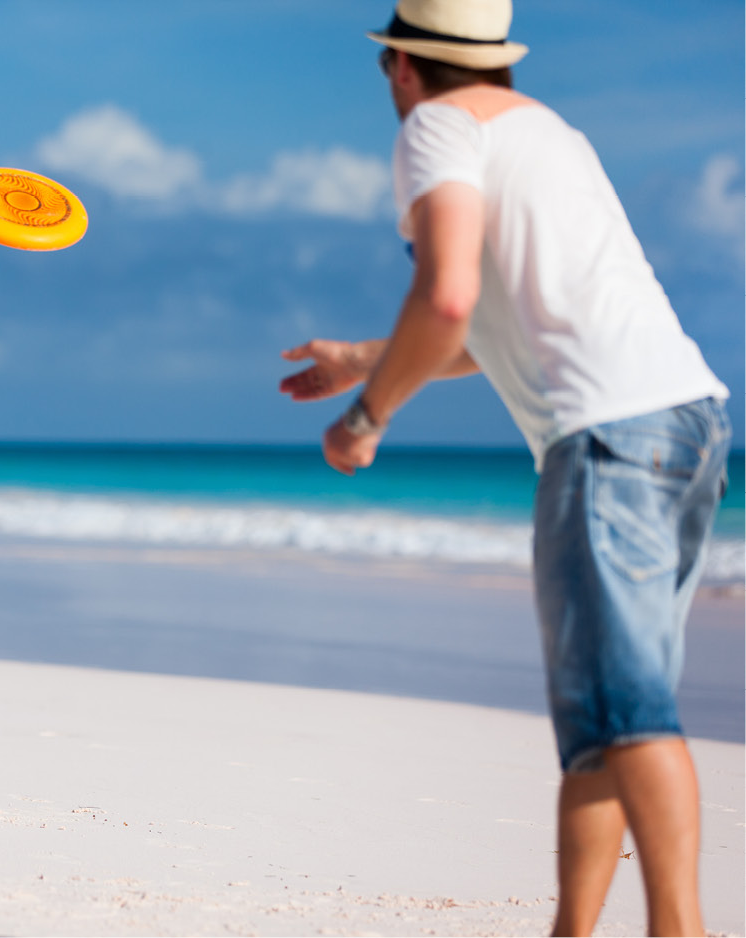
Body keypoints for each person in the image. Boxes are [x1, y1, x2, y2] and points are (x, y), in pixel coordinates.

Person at [278, 2, 731, 935]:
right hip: (687, 423)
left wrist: (367, 420)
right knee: (601, 718)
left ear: (402, 66)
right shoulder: (548, 135)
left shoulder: (436, 128)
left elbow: (446, 296)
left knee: (628, 707)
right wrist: (369, 358)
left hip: (605, 437)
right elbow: (494, 329)